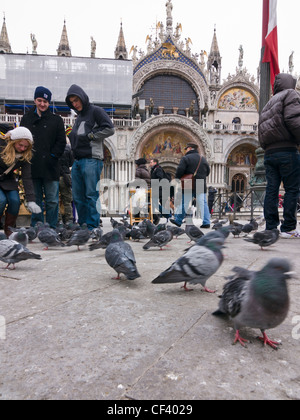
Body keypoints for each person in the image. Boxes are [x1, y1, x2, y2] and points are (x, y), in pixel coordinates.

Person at [65, 84, 115, 230]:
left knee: (90, 194)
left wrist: (92, 136)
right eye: (72, 102)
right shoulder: (79, 117)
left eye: (77, 100)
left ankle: (92, 226)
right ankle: (83, 225)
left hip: (92, 159)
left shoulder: (95, 111)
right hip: (78, 161)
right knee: (78, 196)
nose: (75, 104)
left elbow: (109, 128)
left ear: (82, 97)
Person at [258, 73, 300, 238]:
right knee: (291, 189)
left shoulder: (269, 102)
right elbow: (294, 119)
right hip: (287, 150)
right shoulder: (291, 94)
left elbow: (261, 130)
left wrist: (266, 147)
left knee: (271, 189)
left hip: (269, 153)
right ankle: (288, 228)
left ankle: (271, 227)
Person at [20, 86, 66, 229]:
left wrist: (53, 156)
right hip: (32, 166)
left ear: (49, 103)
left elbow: (61, 142)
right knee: (36, 200)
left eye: (45, 101)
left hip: (51, 167)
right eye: (40, 100)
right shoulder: (26, 118)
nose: (42, 104)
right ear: (35, 100)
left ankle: (52, 228)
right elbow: (21, 139)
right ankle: (37, 227)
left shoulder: (56, 120)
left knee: (52, 200)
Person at [0, 127, 41, 237]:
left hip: (8, 180)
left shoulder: (25, 155)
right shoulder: (2, 146)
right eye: (20, 145)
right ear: (14, 142)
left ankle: (9, 229)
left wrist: (31, 200)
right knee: (1, 200)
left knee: (15, 201)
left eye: (26, 146)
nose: (22, 148)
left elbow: (27, 178)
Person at [170, 143, 211, 228]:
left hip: (188, 182)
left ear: (189, 148)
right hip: (200, 182)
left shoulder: (186, 158)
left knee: (185, 202)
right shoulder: (202, 159)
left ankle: (178, 220)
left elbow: (180, 170)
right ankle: (206, 222)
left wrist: (178, 178)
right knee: (202, 203)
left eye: (186, 149)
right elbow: (208, 171)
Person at [58, 137, 74, 224]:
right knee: (67, 201)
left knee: (54, 201)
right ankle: (69, 221)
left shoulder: (52, 146)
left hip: (54, 176)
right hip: (65, 177)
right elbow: (71, 162)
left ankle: (58, 221)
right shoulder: (68, 148)